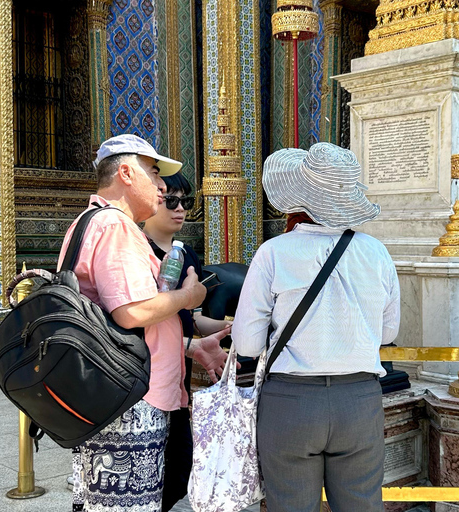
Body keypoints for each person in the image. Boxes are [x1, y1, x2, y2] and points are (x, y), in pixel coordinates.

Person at [61, 134, 230, 512]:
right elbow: (132, 312)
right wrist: (190, 296)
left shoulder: (89, 222)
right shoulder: (116, 227)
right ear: (125, 172)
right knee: (128, 503)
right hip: (132, 401)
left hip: (114, 395)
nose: (159, 185)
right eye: (153, 173)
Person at [231, 142, 401, 512]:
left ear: (299, 200)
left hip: (291, 402)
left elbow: (247, 342)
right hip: (359, 400)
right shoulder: (377, 253)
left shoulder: (273, 253)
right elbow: (387, 335)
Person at [141, 172, 231, 511]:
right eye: (172, 201)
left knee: (179, 468)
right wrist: (191, 346)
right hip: (144, 381)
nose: (180, 210)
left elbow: (190, 319)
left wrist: (230, 330)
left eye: (186, 202)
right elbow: (140, 324)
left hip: (175, 380)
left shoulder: (186, 255)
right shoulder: (139, 254)